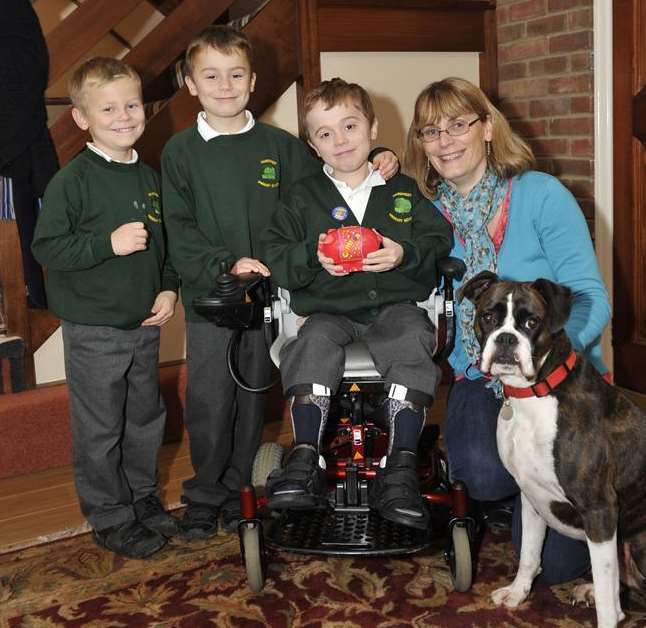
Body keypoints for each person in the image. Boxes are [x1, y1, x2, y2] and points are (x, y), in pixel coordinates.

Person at [161, 26, 398, 539]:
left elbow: (329, 184)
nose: (225, 85)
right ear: (190, 83)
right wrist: (227, 264)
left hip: (271, 300)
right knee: (208, 397)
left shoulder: (281, 147)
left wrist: (381, 163)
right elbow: (179, 228)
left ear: (252, 83)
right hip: (214, 298)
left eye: (236, 75)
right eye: (211, 75)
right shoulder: (180, 152)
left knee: (253, 393)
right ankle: (206, 492)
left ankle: (242, 487)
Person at [404, 76, 611, 581]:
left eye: (458, 125)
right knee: (482, 472)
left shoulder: (541, 196)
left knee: (560, 566)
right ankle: (510, 494)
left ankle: (537, 499)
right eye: (430, 132)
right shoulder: (424, 215)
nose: (445, 141)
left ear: (489, 127)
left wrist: (543, 367)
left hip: (556, 380)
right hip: (482, 377)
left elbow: (591, 297)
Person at [261, 78, 453, 530]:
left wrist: (404, 253)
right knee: (311, 343)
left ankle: (401, 465)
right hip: (328, 310)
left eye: (350, 126)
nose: (340, 140)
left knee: (410, 337)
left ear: (372, 128)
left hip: (395, 306)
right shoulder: (301, 199)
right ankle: (306, 456)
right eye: (325, 134)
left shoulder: (401, 190)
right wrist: (314, 257)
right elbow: (276, 251)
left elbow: (437, 238)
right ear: (312, 144)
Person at [32, 58, 179, 559]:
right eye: (108, 108)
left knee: (145, 418)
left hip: (144, 324)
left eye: (132, 104)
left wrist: (168, 288)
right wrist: (105, 244)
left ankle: (141, 497)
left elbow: (165, 246)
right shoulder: (72, 181)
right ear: (82, 118)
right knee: (101, 427)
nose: (124, 116)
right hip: (94, 329)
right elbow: (47, 248)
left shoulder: (149, 175)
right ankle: (109, 515)